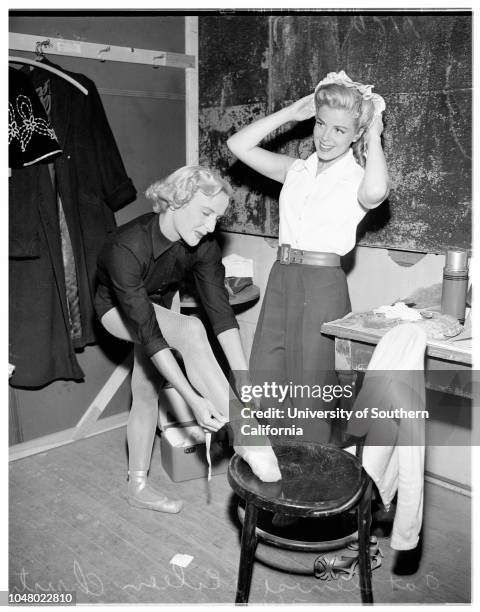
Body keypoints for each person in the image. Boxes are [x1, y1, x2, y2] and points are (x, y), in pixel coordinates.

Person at [95, 166, 281, 514]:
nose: (212, 226)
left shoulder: (204, 244)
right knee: (190, 329)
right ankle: (250, 437)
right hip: (116, 310)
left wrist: (242, 376)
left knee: (147, 389)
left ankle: (136, 484)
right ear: (175, 201)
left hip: (160, 303)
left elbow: (221, 312)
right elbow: (149, 333)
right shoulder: (126, 246)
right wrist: (192, 398)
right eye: (205, 213)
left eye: (218, 217)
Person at [227, 70, 390, 442]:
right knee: (266, 381)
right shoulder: (297, 170)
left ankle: (310, 485)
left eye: (340, 130)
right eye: (321, 123)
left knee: (310, 392)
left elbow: (378, 190)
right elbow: (238, 145)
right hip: (281, 278)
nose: (326, 137)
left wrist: (375, 134)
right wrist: (290, 113)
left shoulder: (359, 177)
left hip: (322, 285)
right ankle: (271, 472)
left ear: (356, 135)